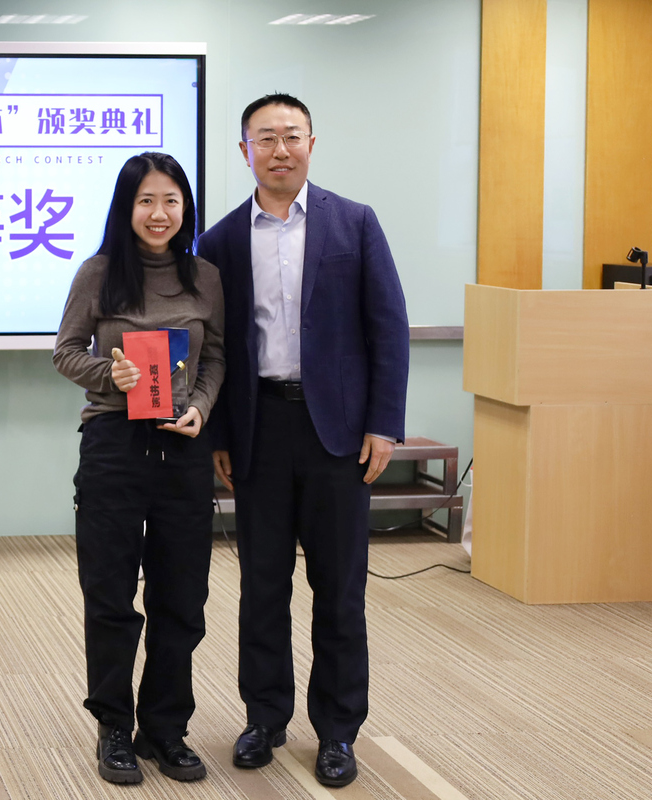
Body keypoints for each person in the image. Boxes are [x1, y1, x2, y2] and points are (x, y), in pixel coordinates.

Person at [197, 94, 409, 788]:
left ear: (312, 144)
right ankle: (264, 718)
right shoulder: (221, 241)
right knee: (262, 585)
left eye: (291, 136)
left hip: (338, 436)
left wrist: (383, 423)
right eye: (265, 138)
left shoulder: (355, 222)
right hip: (259, 430)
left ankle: (338, 730)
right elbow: (216, 348)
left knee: (339, 588)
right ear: (245, 151)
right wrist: (221, 433)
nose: (280, 149)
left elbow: (388, 327)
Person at [53, 152, 225, 785]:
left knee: (182, 598)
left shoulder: (205, 277)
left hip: (182, 451)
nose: (159, 213)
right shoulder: (98, 273)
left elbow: (216, 360)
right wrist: (112, 374)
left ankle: (165, 728)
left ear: (185, 209)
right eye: (146, 201)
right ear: (127, 208)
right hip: (113, 448)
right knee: (111, 595)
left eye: (171, 201)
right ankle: (114, 728)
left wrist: (201, 407)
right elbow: (66, 352)